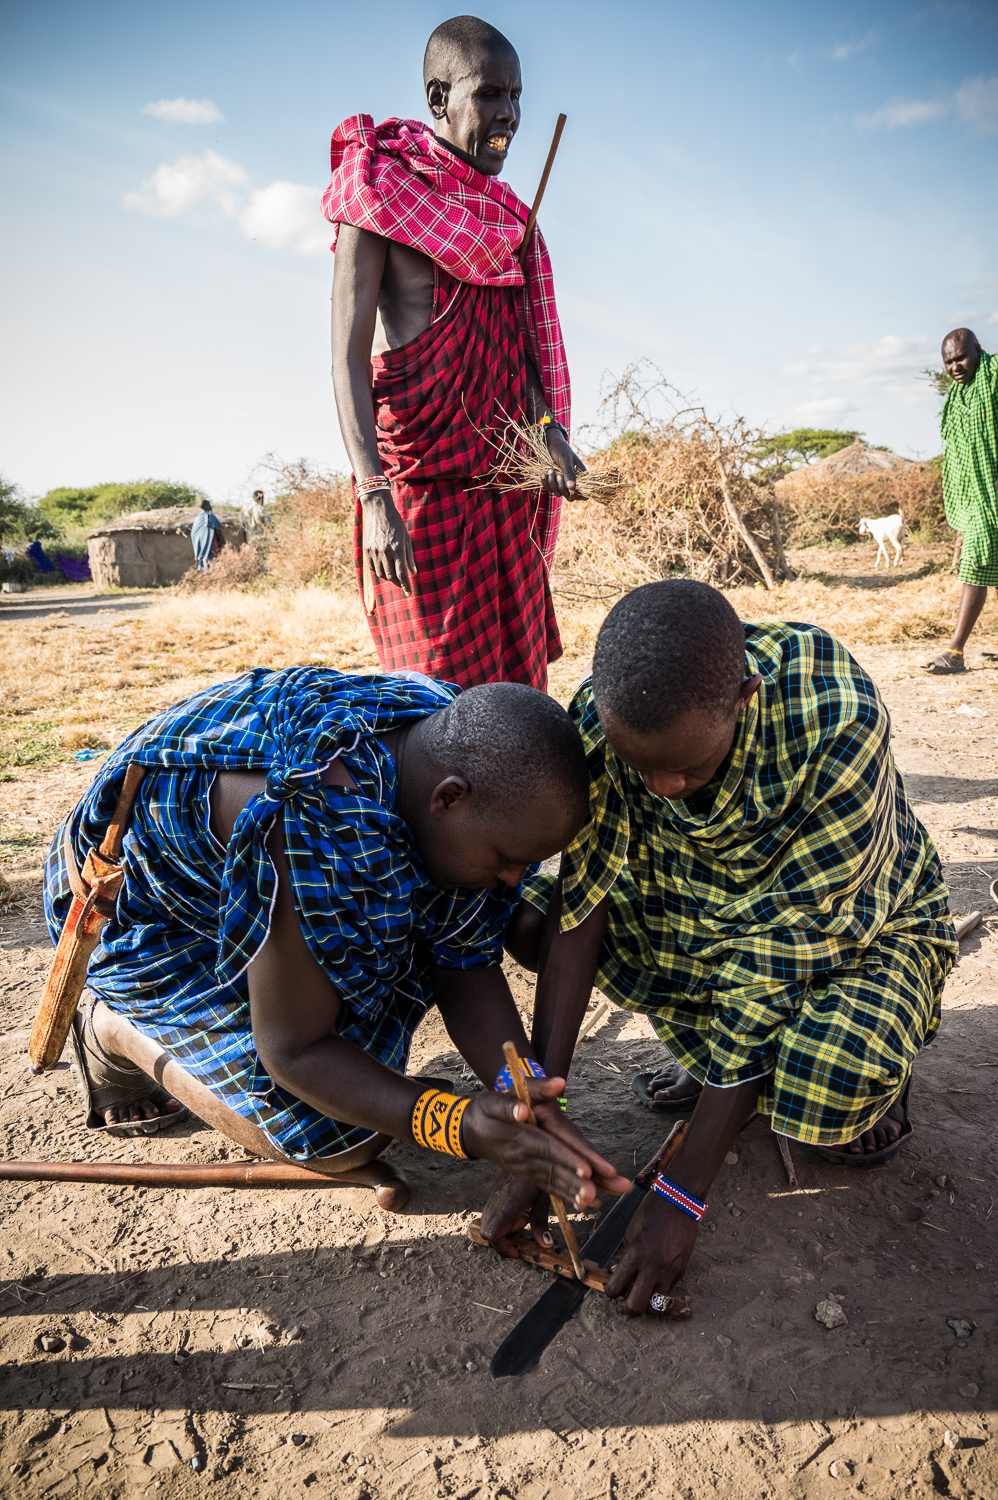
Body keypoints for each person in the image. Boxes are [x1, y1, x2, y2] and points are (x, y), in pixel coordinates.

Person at [485, 580, 958, 1312]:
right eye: (642, 769)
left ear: (744, 695)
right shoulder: (607, 720)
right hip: (702, 905)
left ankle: (835, 1073)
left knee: (832, 1086)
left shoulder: (834, 721)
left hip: (856, 925)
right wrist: (540, 1119)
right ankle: (731, 1075)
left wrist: (683, 1192)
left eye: (688, 768)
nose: (664, 787)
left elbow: (775, 960)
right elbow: (585, 902)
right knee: (529, 926)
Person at [43, 666, 629, 1212]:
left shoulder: (450, 751)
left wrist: (527, 1096)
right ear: (448, 798)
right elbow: (293, 1051)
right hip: (140, 921)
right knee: (335, 1133)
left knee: (373, 1059)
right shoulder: (313, 820)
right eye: (507, 859)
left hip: (262, 889)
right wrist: (459, 1127)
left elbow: (465, 964)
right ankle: (112, 1023)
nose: (512, 880)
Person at [323, 15, 584, 691]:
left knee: (520, 714)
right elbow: (347, 359)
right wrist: (373, 497)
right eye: (491, 94)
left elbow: (517, 358)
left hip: (505, 508)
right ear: (438, 99)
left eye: (518, 96)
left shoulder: (509, 220)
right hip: (419, 511)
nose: (511, 115)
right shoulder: (379, 198)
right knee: (435, 723)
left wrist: (547, 434)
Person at [924, 328, 998, 674]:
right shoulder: (959, 396)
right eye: (948, 362)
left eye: (961, 357)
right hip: (979, 495)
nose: (955, 366)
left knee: (975, 565)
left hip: (993, 490)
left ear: (979, 350)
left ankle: (955, 651)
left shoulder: (995, 377)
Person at [190, 498, 225, 570]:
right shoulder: (210, 516)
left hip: (201, 546)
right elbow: (218, 531)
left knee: (205, 562)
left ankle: (206, 576)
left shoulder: (198, 518)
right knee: (213, 564)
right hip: (211, 545)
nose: (211, 507)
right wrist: (223, 541)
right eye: (210, 505)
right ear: (206, 506)